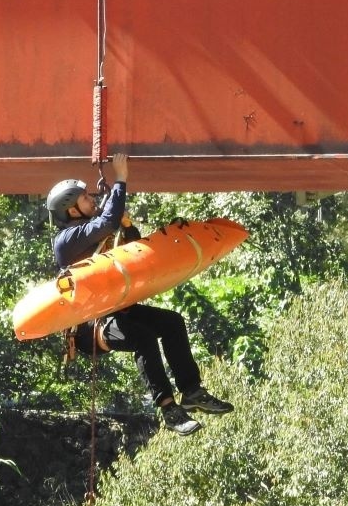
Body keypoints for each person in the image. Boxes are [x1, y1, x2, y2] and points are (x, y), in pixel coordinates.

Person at [46, 152, 234, 436]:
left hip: (117, 309)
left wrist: (126, 225)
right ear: (72, 210)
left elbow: (132, 248)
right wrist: (120, 178)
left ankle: (192, 391)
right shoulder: (66, 241)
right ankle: (169, 409)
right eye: (85, 198)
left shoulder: (93, 232)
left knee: (172, 322)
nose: (91, 199)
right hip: (92, 323)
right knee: (143, 338)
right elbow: (106, 223)